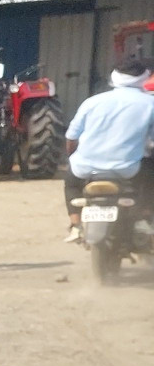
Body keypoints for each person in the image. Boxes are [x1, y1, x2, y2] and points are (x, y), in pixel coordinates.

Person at [61, 60, 154, 241]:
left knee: (71, 184)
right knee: (150, 179)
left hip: (85, 168)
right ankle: (144, 217)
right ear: (144, 78)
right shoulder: (150, 103)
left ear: (114, 78)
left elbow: (71, 137)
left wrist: (73, 158)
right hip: (128, 170)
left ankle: (75, 224)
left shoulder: (92, 102)